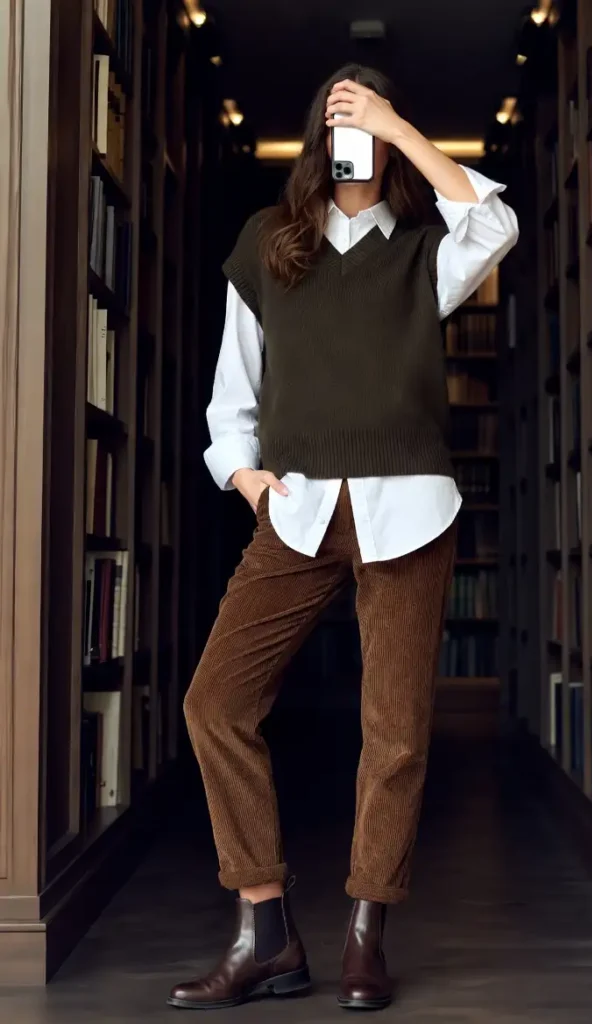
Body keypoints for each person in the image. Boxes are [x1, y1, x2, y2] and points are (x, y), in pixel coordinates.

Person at [168, 64, 518, 1012]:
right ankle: (265, 929)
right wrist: (238, 473)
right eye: (338, 116)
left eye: (364, 117)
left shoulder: (423, 249)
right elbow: (231, 388)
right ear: (315, 135)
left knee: (393, 734)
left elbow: (497, 224)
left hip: (410, 513)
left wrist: (399, 125)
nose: (350, 134)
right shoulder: (267, 245)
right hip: (297, 512)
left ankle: (367, 933)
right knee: (215, 703)